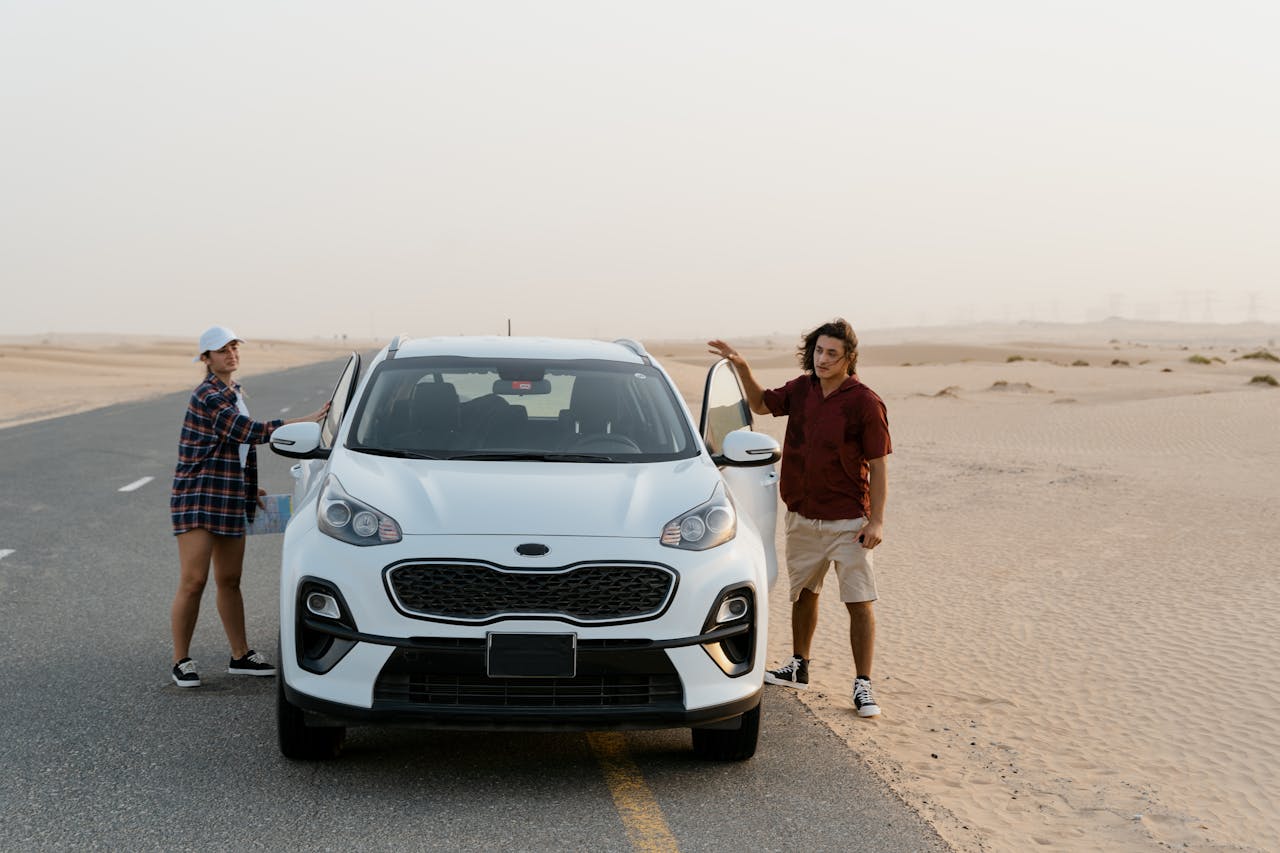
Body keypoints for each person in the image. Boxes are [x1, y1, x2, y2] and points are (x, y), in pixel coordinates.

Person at [708, 319, 891, 717]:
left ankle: (863, 684)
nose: (822, 360)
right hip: (803, 518)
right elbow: (760, 405)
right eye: (818, 351)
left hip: (848, 523)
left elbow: (878, 466)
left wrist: (876, 521)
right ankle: (799, 665)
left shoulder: (865, 402)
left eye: (831, 354)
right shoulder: (802, 390)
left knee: (858, 601)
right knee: (803, 593)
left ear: (848, 359)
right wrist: (741, 367)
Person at [169, 325, 329, 688]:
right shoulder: (208, 394)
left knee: (230, 579)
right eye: (222, 350)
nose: (231, 354)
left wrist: (249, 487)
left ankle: (240, 656)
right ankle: (181, 660)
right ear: (206, 359)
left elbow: (237, 451)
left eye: (234, 347)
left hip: (228, 494)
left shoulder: (234, 391)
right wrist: (303, 421)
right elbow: (245, 432)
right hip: (197, 495)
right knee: (194, 581)